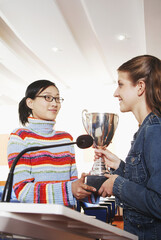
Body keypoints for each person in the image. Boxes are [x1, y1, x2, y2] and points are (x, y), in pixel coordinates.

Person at [95, 55, 161, 239]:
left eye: (121, 84)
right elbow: (145, 184)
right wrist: (120, 167)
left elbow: (158, 202)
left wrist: (117, 184)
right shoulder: (144, 129)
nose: (116, 93)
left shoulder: (155, 130)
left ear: (140, 87)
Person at [7, 79, 96, 207]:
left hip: (67, 219)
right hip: (36, 222)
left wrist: (92, 183)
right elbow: (23, 192)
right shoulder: (20, 136)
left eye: (57, 98)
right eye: (48, 97)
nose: (55, 103)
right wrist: (70, 189)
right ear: (30, 102)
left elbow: (74, 187)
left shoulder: (66, 139)